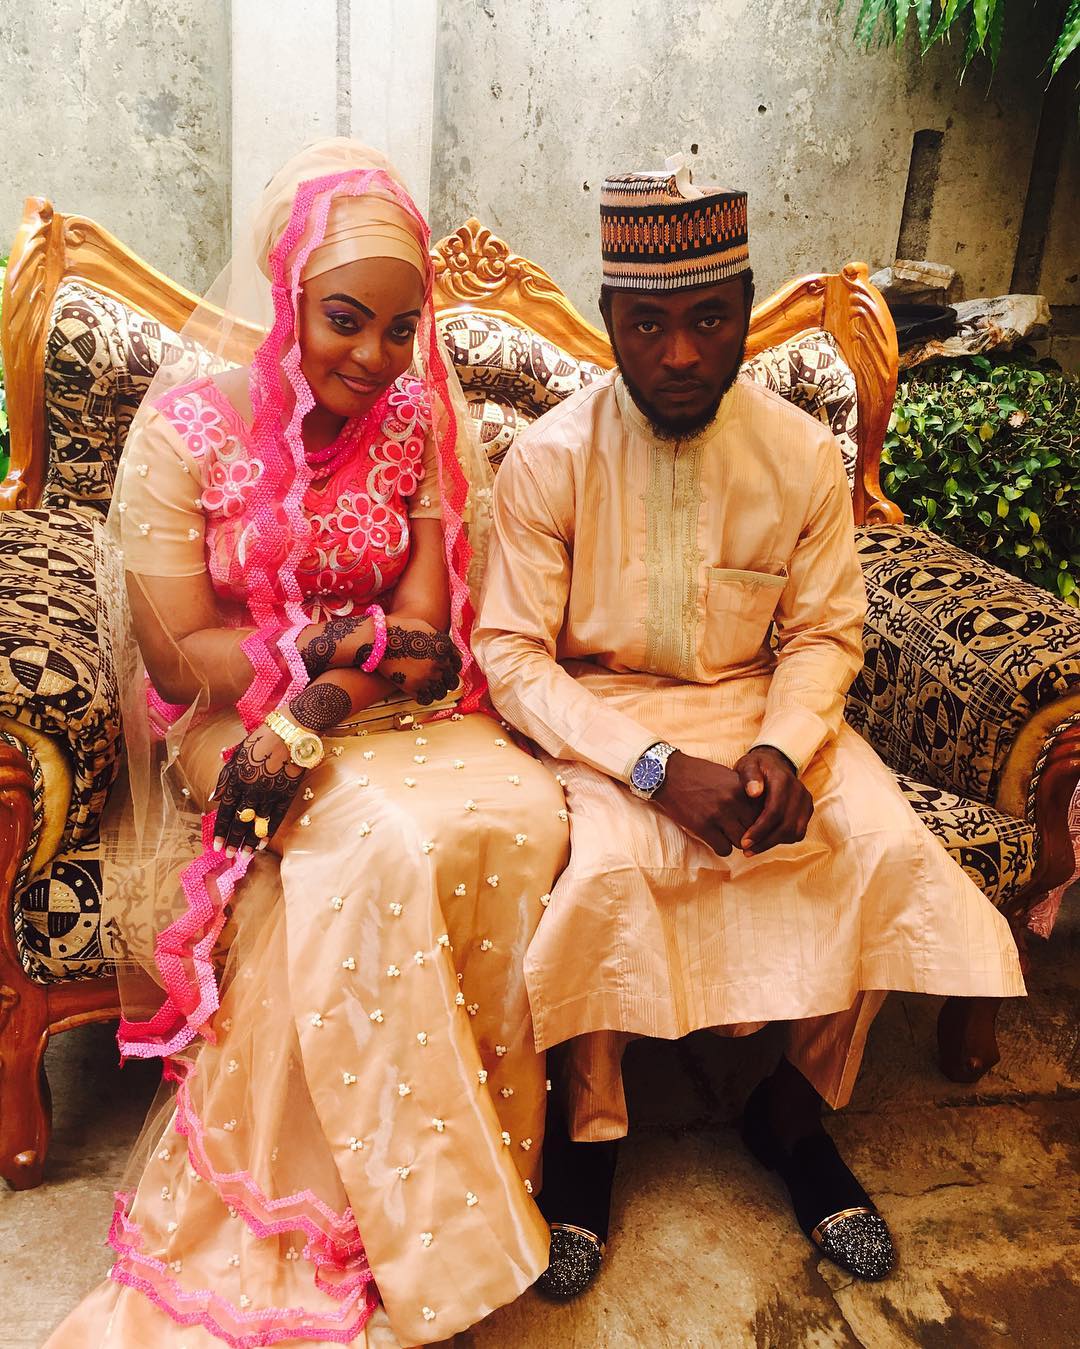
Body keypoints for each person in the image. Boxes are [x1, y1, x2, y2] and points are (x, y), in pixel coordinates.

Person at [45, 140, 568, 1348]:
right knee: (378, 844)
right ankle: (377, 1225)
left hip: (378, 711)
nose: (375, 356)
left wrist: (322, 692)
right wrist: (332, 659)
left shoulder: (414, 419)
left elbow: (429, 633)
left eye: (400, 328)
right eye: (346, 319)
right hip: (224, 727)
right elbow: (182, 656)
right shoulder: (186, 434)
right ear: (286, 295)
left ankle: (463, 1191)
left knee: (523, 814)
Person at [473, 159, 1026, 1295]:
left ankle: (792, 1110)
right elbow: (514, 654)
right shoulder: (550, 457)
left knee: (876, 843)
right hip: (606, 724)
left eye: (710, 319)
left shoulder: (802, 453)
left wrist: (780, 747)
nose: (681, 353)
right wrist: (655, 768)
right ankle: (591, 1136)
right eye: (650, 324)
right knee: (611, 867)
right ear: (610, 317)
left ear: (742, 306)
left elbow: (824, 633)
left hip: (764, 708)